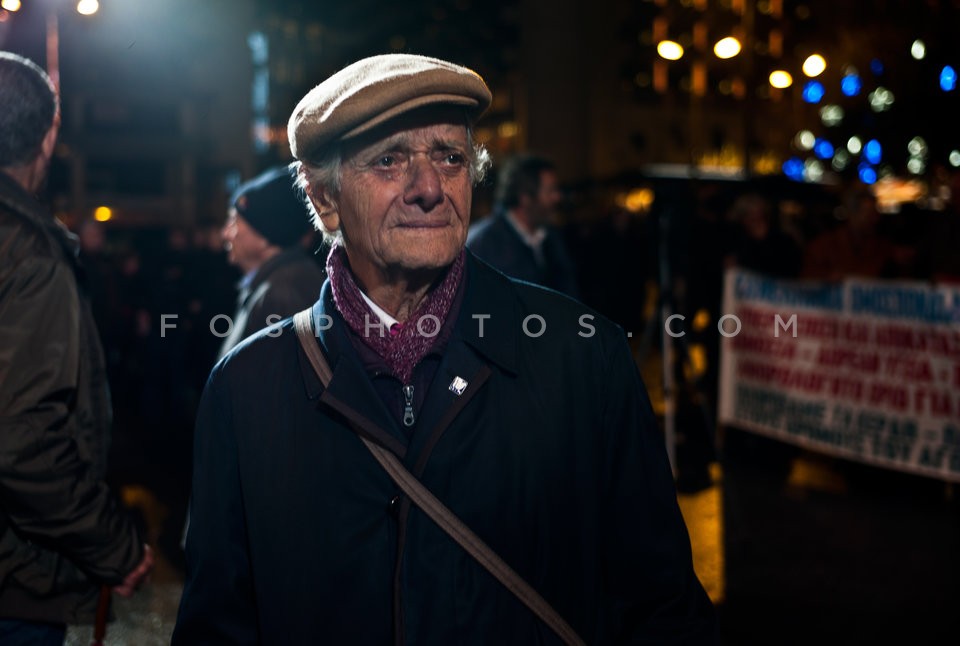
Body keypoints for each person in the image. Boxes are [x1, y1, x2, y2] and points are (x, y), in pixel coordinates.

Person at [174, 53, 716, 644]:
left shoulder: (585, 358)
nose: (430, 188)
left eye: (450, 158)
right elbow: (218, 626)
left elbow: (661, 608)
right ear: (323, 196)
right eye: (390, 160)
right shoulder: (246, 387)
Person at [0, 52, 153, 644]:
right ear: (49, 135)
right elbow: (21, 439)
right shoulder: (29, 255)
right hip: (16, 581)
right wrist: (114, 546)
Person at [216, 164, 326, 358]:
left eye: (234, 222)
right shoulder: (276, 284)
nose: (225, 234)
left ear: (265, 236)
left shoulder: (284, 293)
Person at [467, 153, 580, 298]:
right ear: (525, 198)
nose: (557, 197)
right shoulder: (482, 244)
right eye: (550, 191)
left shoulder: (551, 237)